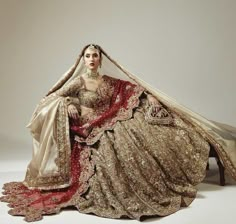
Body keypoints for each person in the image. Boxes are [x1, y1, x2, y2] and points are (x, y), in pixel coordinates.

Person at [1, 44, 236, 222]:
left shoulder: (109, 81)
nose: (92, 59)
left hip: (106, 120)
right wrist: (68, 104)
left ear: (100, 59)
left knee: (141, 136)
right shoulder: (78, 82)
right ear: (82, 60)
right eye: (88, 56)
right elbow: (51, 97)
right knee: (109, 150)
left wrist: (151, 96)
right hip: (85, 128)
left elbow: (133, 88)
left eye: (95, 55)